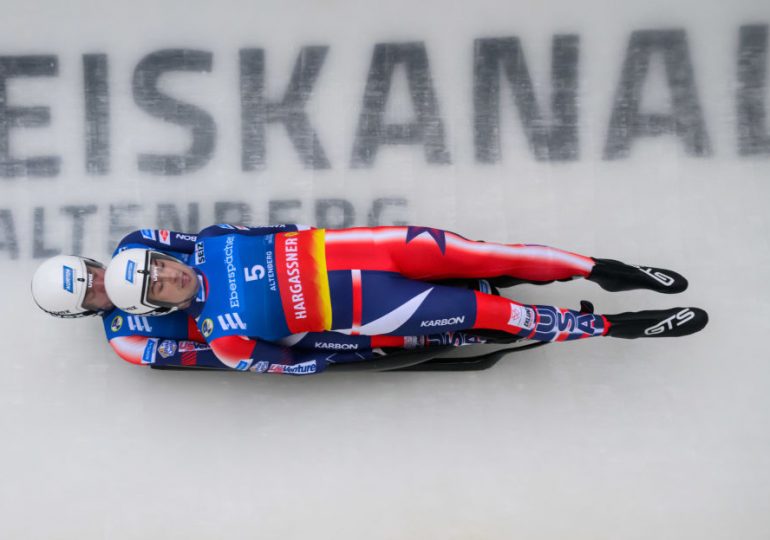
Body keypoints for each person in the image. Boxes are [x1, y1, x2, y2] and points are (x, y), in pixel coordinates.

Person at [104, 224, 709, 375]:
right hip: (379, 304)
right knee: (504, 314)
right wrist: (362, 351)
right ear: (160, 308)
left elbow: (274, 229)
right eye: (156, 285)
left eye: (160, 265)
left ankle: (604, 269)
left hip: (378, 248)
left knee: (486, 254)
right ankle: (617, 328)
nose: (168, 275)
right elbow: (303, 362)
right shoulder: (222, 337)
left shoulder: (210, 242)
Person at [31, 226, 501, 371]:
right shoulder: (125, 340)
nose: (98, 285)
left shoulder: (135, 247)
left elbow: (201, 245)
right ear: (83, 313)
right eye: (90, 294)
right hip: (252, 329)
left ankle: (456, 276)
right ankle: (449, 331)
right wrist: (274, 358)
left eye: (90, 274)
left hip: (259, 284)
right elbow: (199, 357)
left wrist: (280, 240)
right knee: (340, 337)